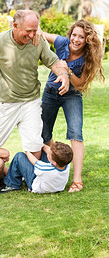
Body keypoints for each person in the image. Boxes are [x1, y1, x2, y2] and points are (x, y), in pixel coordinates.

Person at [0, 10, 70, 167]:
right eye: (28, 31)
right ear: (16, 26)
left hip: (31, 102)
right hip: (5, 103)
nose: (31, 35)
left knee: (35, 146)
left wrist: (63, 75)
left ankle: (31, 180)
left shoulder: (38, 41)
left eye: (35, 30)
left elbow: (53, 62)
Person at [38, 20, 105, 192]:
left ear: (87, 40)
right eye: (74, 35)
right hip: (51, 92)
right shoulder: (62, 43)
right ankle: (55, 164)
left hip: (72, 95)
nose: (76, 39)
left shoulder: (88, 58)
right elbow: (41, 34)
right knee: (44, 133)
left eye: (81, 37)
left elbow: (81, 84)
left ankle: (77, 180)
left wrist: (68, 71)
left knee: (76, 133)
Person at [0, 142, 73, 194]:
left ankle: (12, 184)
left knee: (19, 156)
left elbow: (34, 161)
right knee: (44, 152)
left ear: (54, 163)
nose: (48, 152)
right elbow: (48, 150)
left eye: (50, 154)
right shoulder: (66, 163)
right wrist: (41, 144)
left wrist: (27, 150)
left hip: (36, 185)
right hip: (57, 187)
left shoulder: (45, 168)